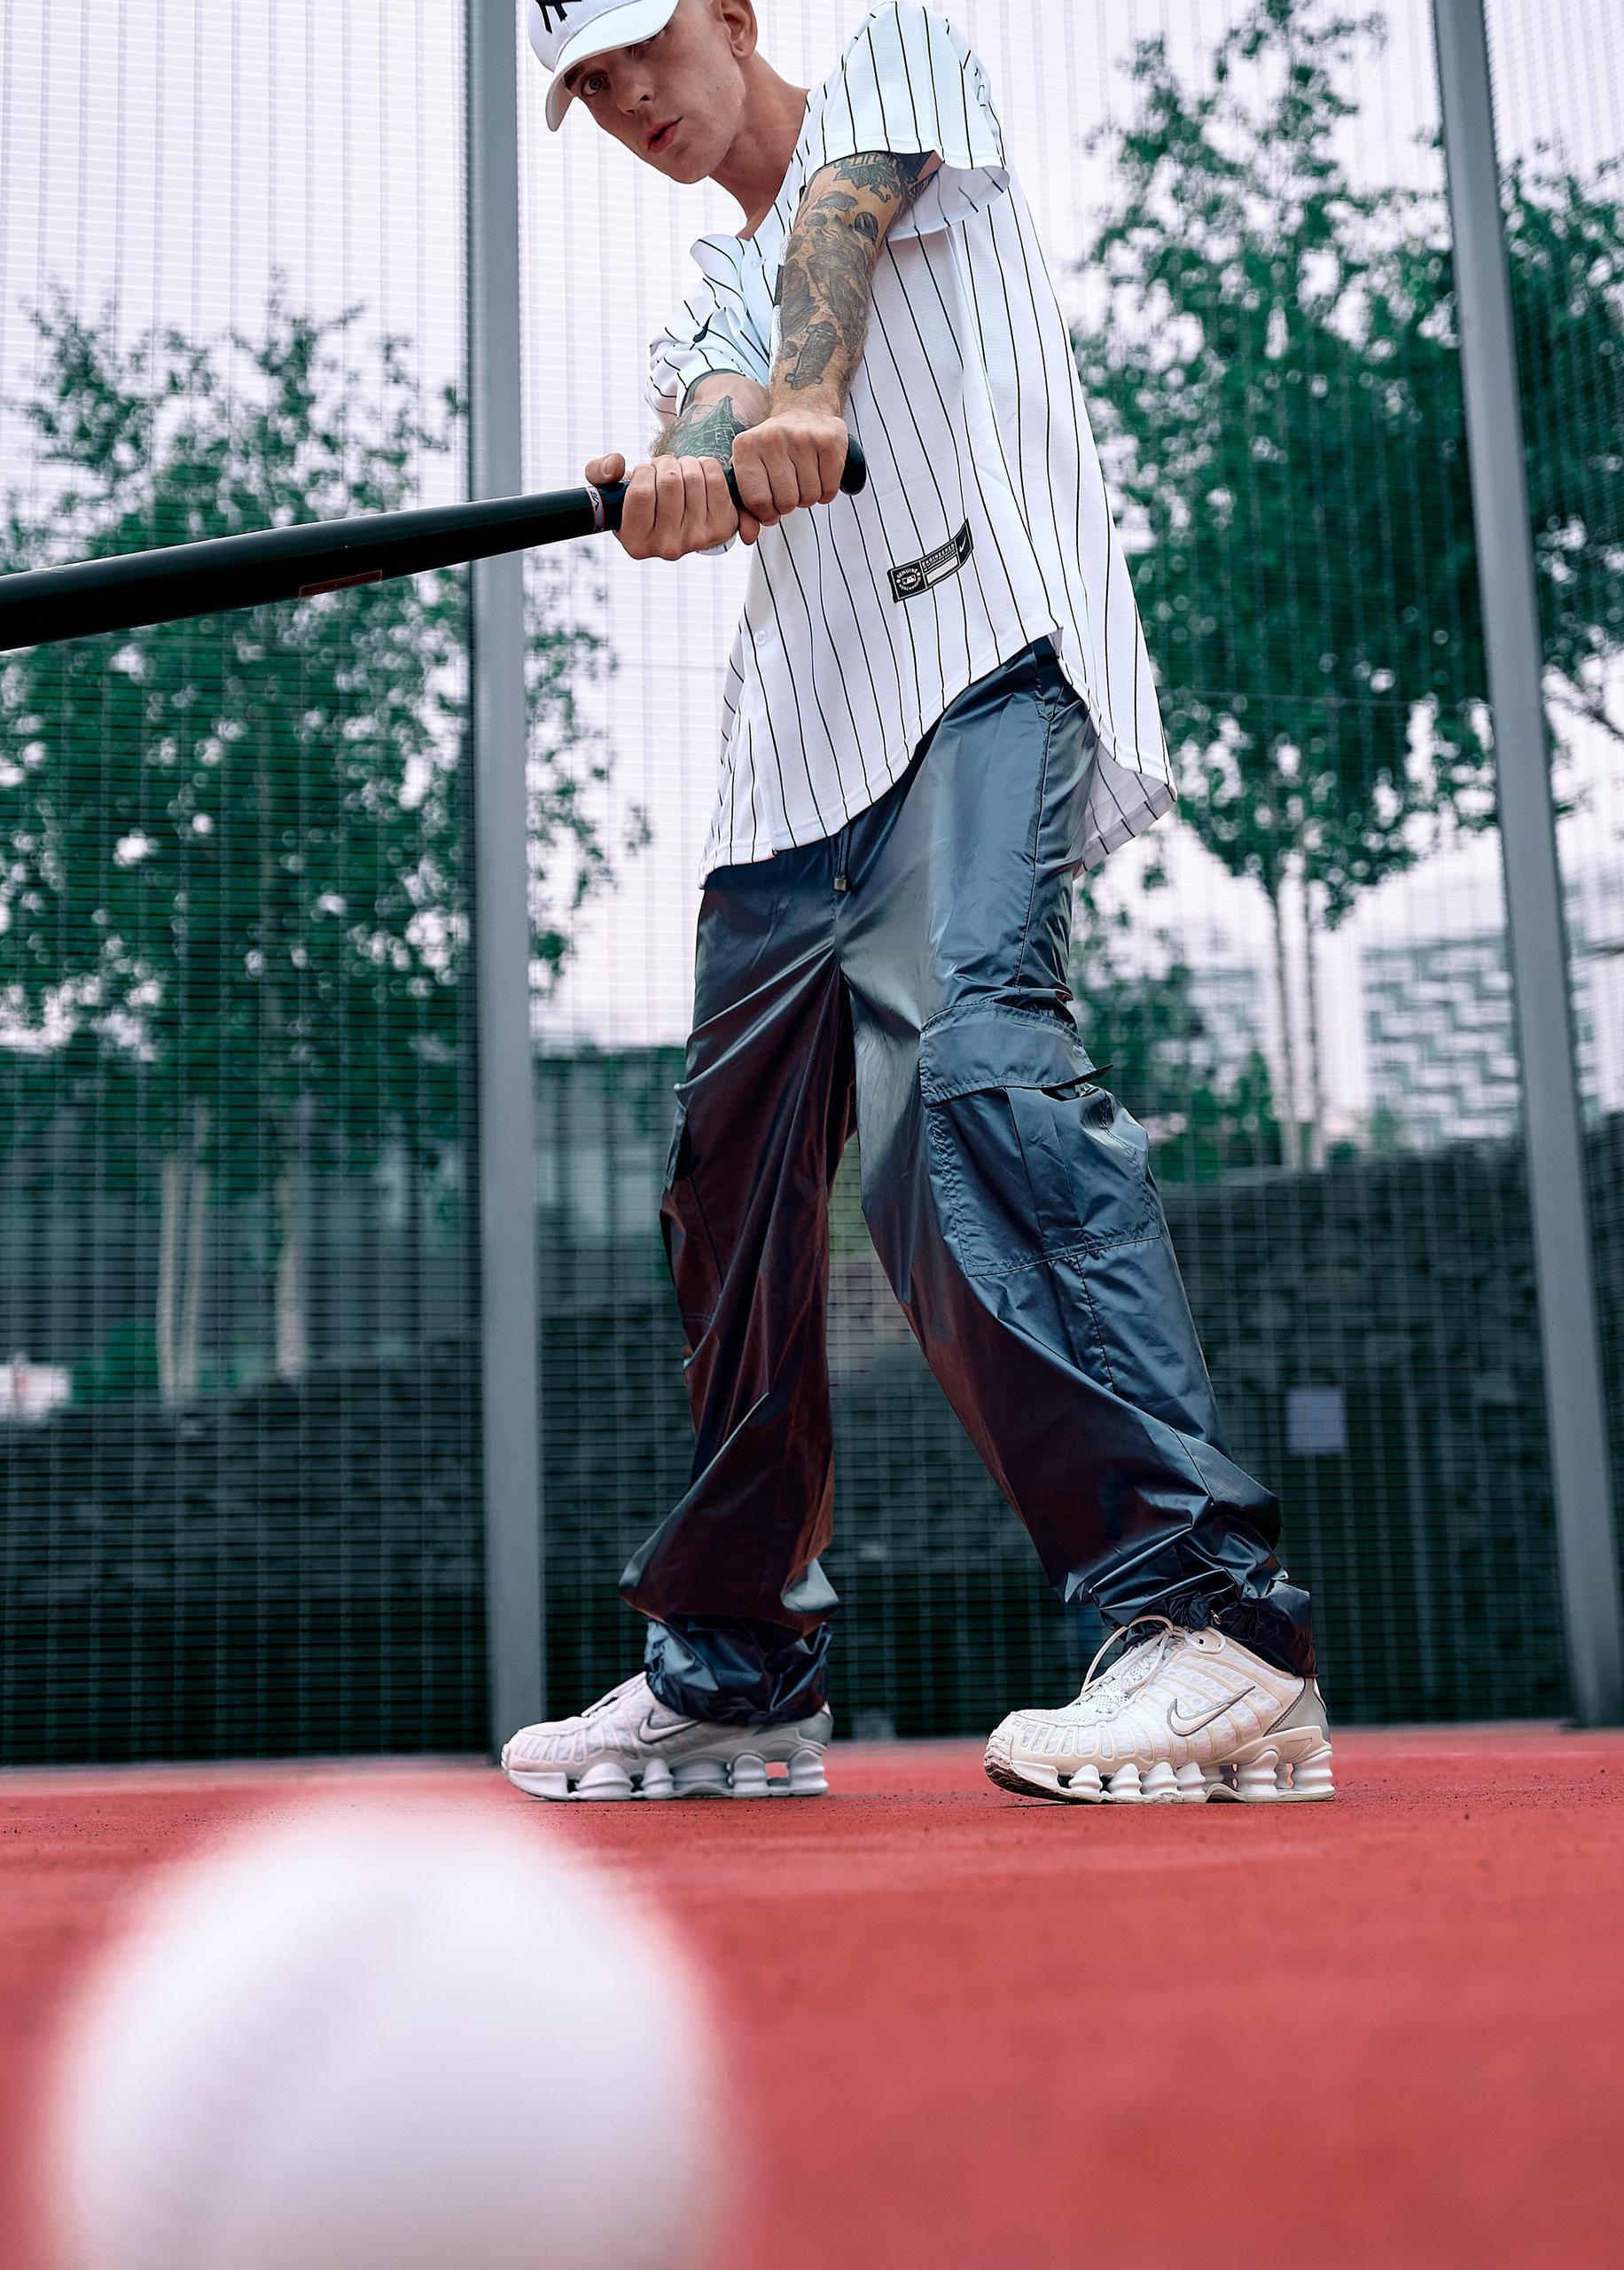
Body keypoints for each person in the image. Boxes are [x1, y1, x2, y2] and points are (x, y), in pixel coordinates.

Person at [502, 0, 1333, 1808]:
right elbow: (716, 398)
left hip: (981, 677)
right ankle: (731, 1666)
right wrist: (677, 475)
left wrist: (801, 399)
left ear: (726, 9)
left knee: (964, 1074)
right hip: (783, 782)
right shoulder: (704, 295)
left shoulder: (899, 64)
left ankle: (1201, 1620)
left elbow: (840, 225)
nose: (628, 95)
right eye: (587, 86)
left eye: (642, 44)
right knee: (726, 1201)